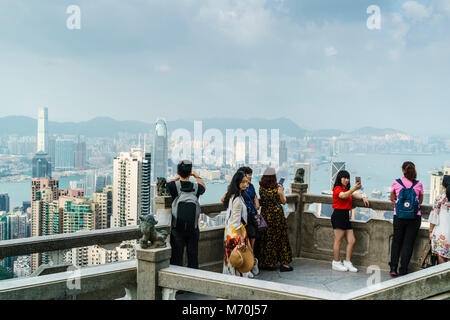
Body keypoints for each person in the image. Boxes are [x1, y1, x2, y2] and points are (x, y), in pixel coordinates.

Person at [166, 160, 206, 269]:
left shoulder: (173, 186)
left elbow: (166, 185)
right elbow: (204, 187)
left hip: (177, 228)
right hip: (193, 229)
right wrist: (197, 176)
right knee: (193, 257)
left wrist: (177, 178)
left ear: (178, 172)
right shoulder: (197, 187)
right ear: (190, 173)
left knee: (176, 258)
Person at [389, 161, 424, 276]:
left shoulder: (396, 182)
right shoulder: (419, 184)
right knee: (408, 244)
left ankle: (393, 268)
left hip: (399, 216)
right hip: (414, 217)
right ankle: (403, 270)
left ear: (403, 170)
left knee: (396, 242)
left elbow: (392, 198)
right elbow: (420, 201)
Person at [255, 168, 293, 272]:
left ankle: (267, 262)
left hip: (266, 214)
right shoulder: (277, 188)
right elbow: (284, 201)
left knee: (266, 238)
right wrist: (281, 192)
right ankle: (284, 263)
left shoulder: (261, 188)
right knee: (281, 238)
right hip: (277, 215)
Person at [331, 170, 369, 272]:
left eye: (348, 178)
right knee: (338, 240)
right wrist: (354, 188)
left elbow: (351, 195)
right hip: (338, 215)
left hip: (345, 216)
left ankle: (347, 262)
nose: (346, 180)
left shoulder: (345, 189)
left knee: (352, 240)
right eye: (344, 178)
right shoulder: (337, 189)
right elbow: (343, 195)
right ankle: (336, 262)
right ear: (340, 178)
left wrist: (362, 198)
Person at [222, 171, 253, 277]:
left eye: (247, 182)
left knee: (232, 260)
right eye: (243, 182)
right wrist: (242, 238)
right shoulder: (238, 200)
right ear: (237, 183)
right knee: (239, 260)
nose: (246, 184)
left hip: (230, 232)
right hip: (236, 234)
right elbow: (236, 222)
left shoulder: (232, 196)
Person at [428, 175, 450, 264]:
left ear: (443, 185)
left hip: (441, 233)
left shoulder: (440, 198)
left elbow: (434, 217)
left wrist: (430, 231)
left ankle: (443, 277)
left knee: (441, 256)